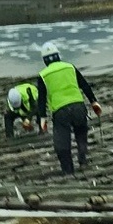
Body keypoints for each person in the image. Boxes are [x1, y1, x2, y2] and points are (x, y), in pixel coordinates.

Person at [31, 41, 101, 177]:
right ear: (58, 55)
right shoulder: (70, 67)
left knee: (62, 143)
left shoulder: (43, 75)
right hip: (78, 107)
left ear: (44, 60)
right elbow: (84, 85)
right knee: (81, 133)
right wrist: (94, 102)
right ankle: (82, 159)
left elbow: (42, 100)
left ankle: (68, 171)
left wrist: (42, 120)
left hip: (60, 111)